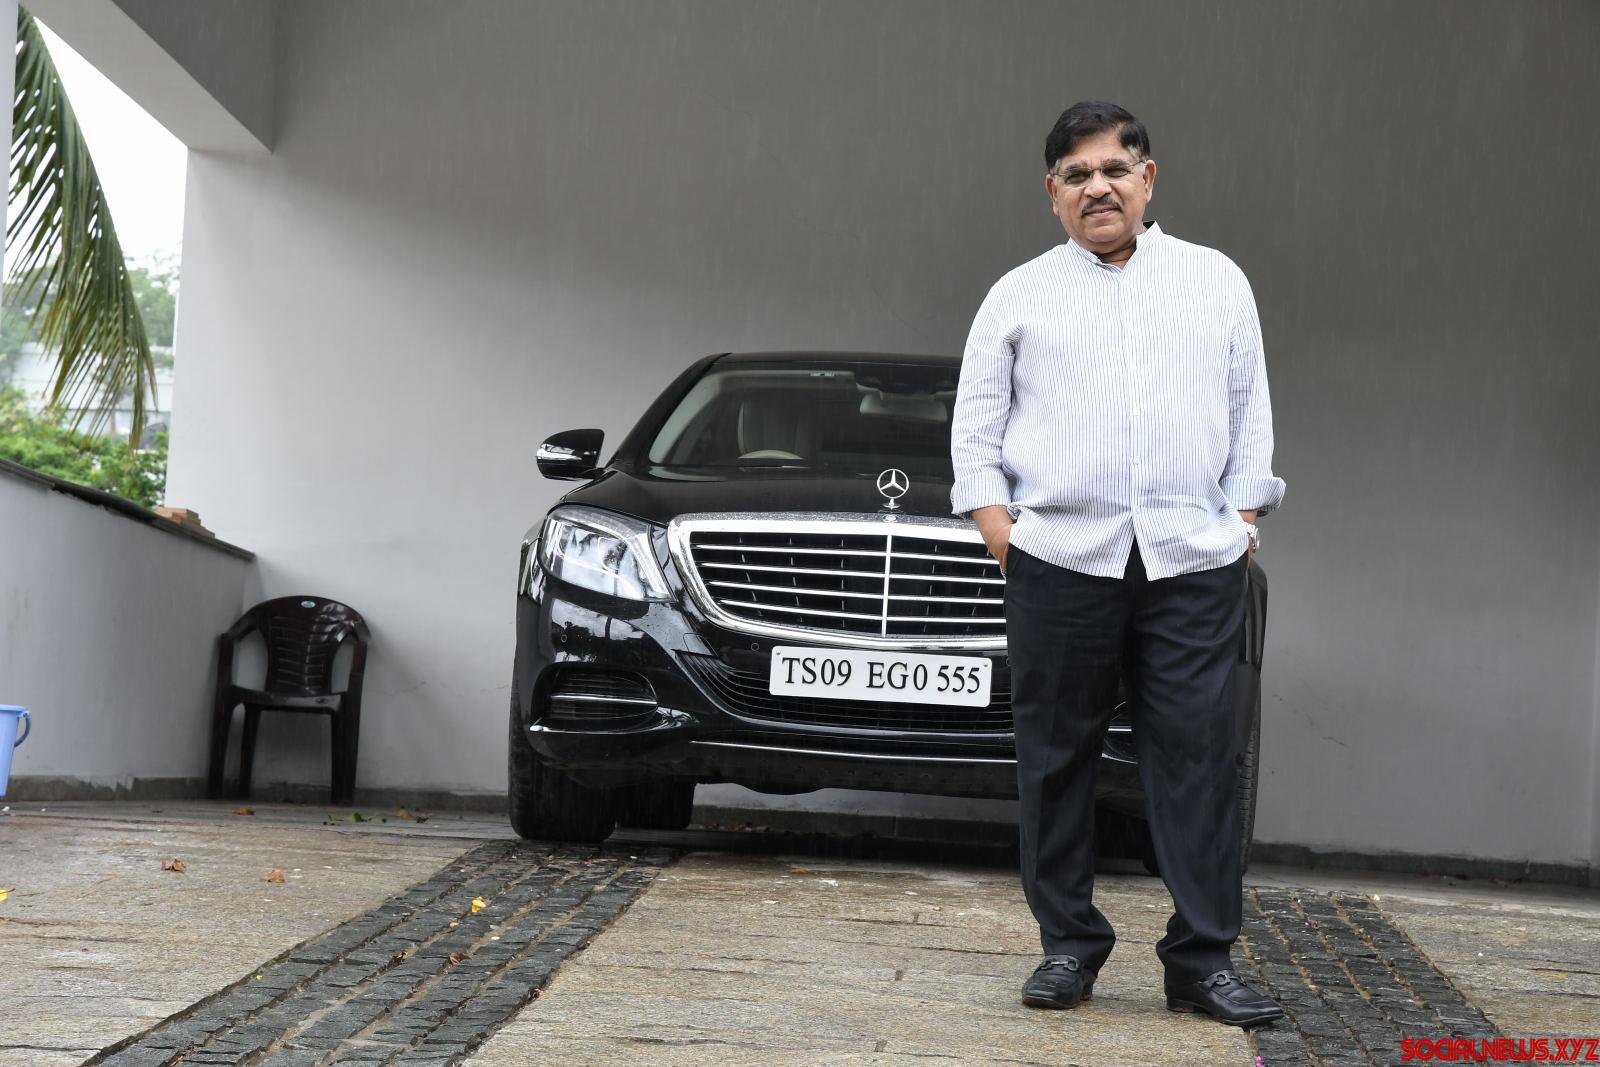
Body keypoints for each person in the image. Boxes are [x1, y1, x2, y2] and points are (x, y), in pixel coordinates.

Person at [949, 100, 1286, 1028]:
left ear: (1148, 177)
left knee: (1199, 759)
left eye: (1113, 169)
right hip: (1060, 561)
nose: (1097, 187)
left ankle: (1203, 960)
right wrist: (1007, 539)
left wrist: (1240, 522)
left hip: (1193, 563)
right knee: (1057, 759)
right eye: (1076, 174)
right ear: (1052, 192)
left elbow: (1249, 413)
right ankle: (1068, 946)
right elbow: (975, 436)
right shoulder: (1017, 294)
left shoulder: (1216, 281)